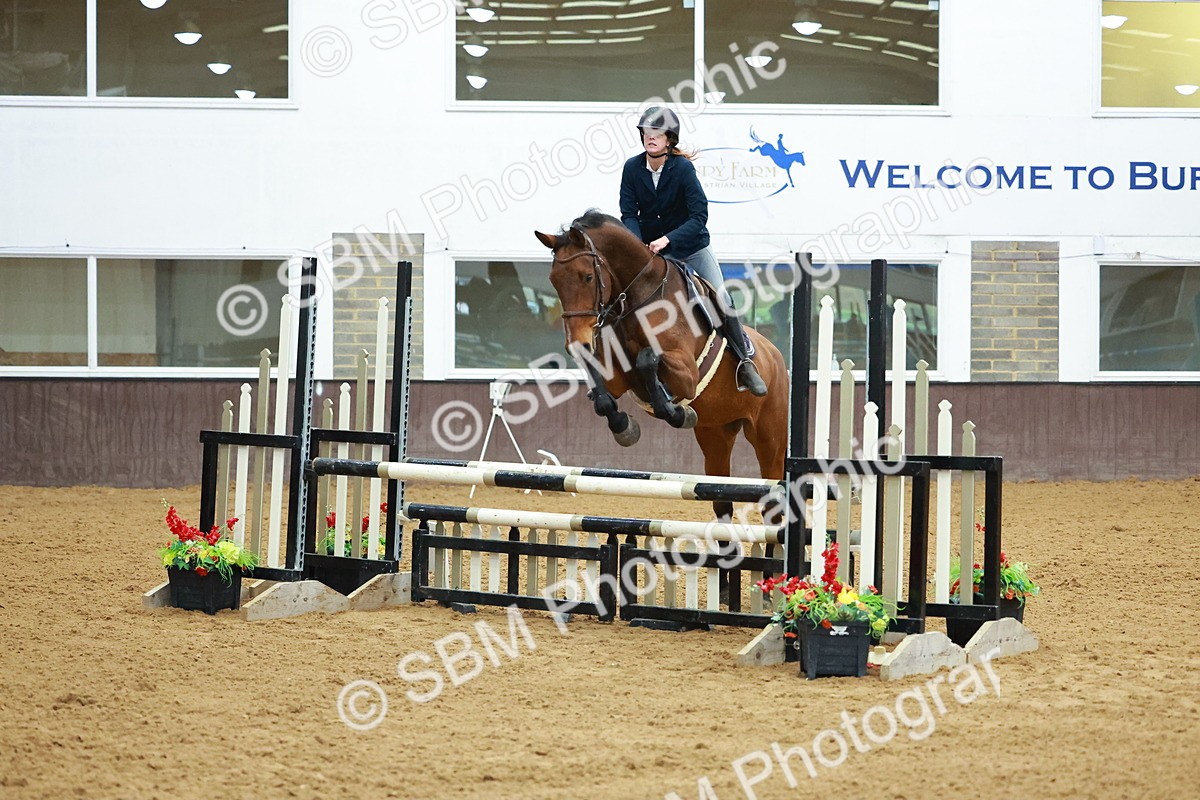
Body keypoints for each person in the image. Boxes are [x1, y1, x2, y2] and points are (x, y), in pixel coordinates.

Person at [618, 106, 767, 396]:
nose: (651, 138)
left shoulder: (683, 169)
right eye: (647, 132)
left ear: (669, 139)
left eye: (657, 133)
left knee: (720, 296)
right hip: (656, 253)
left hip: (693, 247)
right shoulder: (632, 168)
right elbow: (628, 213)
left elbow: (699, 216)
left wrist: (666, 239)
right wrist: (639, 245)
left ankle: (745, 362)